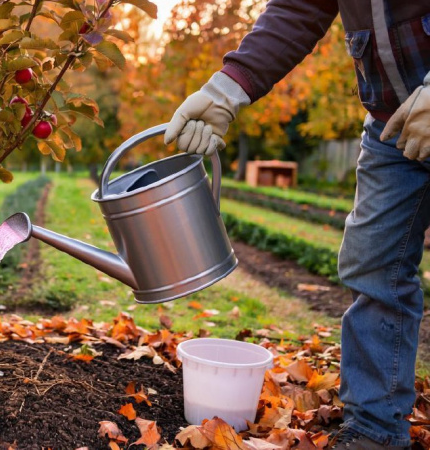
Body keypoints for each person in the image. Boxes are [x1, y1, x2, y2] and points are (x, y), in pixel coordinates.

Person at [164, 2, 430, 448]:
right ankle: (374, 432)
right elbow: (301, 6)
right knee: (372, 265)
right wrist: (228, 87)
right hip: (392, 128)